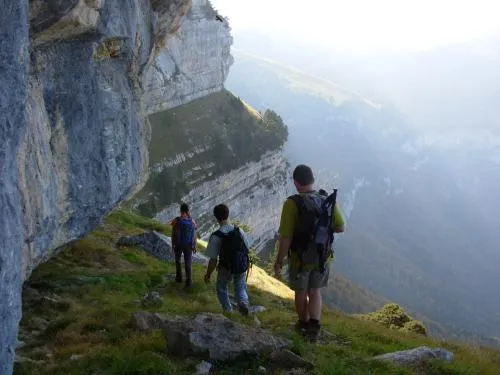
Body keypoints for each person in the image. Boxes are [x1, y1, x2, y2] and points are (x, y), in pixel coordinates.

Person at [274, 164, 345, 339]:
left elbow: (286, 237)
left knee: (301, 292)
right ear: (312, 180)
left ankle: (303, 324)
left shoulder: (292, 204)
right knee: (315, 291)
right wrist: (321, 231)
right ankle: (314, 327)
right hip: (322, 256)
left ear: (296, 182)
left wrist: (279, 260)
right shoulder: (325, 199)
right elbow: (340, 227)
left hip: (300, 258)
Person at [204, 204, 251, 315]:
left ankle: (228, 310)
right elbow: (247, 248)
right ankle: (243, 302)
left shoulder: (216, 236)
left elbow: (213, 260)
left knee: (221, 288)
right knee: (240, 288)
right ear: (228, 214)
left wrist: (208, 274)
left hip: (225, 267)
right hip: (240, 266)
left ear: (216, 217)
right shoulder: (239, 231)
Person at [170, 203, 198, 287]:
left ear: (181, 210)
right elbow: (194, 234)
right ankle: (189, 282)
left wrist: (172, 245)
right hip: (188, 245)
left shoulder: (176, 220)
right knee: (188, 263)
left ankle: (179, 278)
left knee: (178, 261)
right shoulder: (192, 221)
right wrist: (194, 246)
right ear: (188, 211)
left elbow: (173, 234)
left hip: (178, 244)